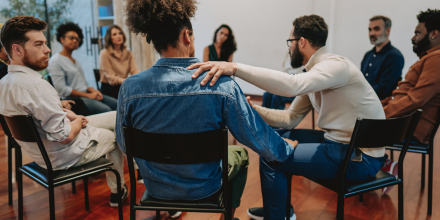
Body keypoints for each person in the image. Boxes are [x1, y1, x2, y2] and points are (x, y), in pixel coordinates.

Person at [189, 15, 386, 219]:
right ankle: (281, 210)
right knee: (277, 138)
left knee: (273, 154)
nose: (289, 48)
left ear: (302, 42)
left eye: (290, 42)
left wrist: (236, 68)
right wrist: (251, 108)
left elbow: (292, 86)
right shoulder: (317, 71)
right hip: (341, 144)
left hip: (360, 157)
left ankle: (277, 215)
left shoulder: (335, 66)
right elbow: (290, 117)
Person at [119, 1, 296, 219]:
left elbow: (124, 143)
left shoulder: (129, 88)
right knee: (239, 154)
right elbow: (256, 137)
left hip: (156, 188)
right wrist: (284, 147)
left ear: (155, 43)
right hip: (205, 189)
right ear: (186, 35)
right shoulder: (221, 85)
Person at [0, 16, 127, 207]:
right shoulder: (37, 86)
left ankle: (136, 172)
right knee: (114, 134)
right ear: (17, 49)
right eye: (38, 44)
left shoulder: (4, 84)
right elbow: (64, 136)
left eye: (45, 43)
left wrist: (70, 115)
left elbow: (40, 112)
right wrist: (78, 123)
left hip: (44, 151)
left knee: (117, 116)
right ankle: (120, 191)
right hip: (63, 153)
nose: (47, 49)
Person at [380, 8, 440, 194]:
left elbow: (415, 99)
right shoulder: (429, 58)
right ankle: (382, 164)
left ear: (434, 34)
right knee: (353, 118)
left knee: (352, 126)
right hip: (404, 121)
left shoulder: (436, 60)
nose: (413, 38)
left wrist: (379, 114)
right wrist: (376, 106)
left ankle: (378, 166)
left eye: (417, 33)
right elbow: (405, 95)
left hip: (410, 127)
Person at [49, 22, 117, 115]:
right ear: (62, 39)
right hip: (74, 100)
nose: (75, 41)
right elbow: (62, 89)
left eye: (77, 39)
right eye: (71, 38)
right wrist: (89, 95)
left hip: (86, 94)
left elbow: (84, 83)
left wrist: (94, 91)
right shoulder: (55, 61)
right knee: (107, 110)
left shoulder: (75, 61)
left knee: (118, 104)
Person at [361, 15, 404, 100]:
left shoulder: (394, 56)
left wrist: (359, 96)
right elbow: (361, 82)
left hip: (381, 107)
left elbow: (384, 89)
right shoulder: (368, 55)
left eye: (376, 29)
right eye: (370, 29)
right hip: (363, 102)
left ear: (387, 30)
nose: (372, 33)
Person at [99, 24, 140, 99]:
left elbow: (134, 70)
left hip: (123, 86)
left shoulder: (128, 53)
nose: (118, 36)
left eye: (120, 33)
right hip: (109, 89)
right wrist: (128, 81)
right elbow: (111, 78)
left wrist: (140, 78)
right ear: (109, 38)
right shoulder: (104, 53)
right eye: (114, 34)